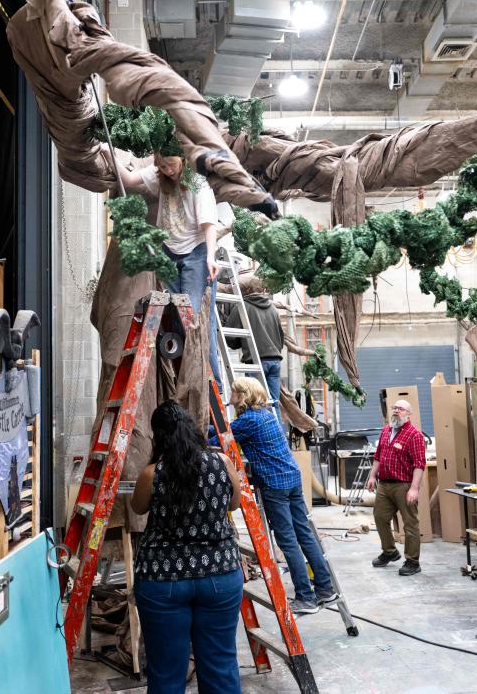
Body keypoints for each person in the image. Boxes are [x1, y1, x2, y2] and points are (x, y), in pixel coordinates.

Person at [131, 401, 243, 693]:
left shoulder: (152, 474)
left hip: (163, 579)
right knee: (220, 666)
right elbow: (235, 503)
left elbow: (138, 507)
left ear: (159, 437)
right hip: (219, 574)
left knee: (166, 672)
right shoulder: (222, 463)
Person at [228, 377, 338, 614]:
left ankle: (305, 597)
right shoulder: (268, 415)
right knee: (304, 534)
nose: (230, 397)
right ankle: (325, 588)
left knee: (287, 540)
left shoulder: (246, 420)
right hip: (292, 478)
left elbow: (218, 438)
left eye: (234, 393)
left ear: (243, 396)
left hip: (275, 484)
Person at [117, 151, 223, 389]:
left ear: (182, 159)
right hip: (169, 254)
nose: (168, 170)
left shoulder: (198, 184)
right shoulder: (160, 177)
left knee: (196, 324)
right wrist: (107, 152)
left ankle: (213, 388)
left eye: (171, 164)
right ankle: (183, 388)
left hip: (196, 254)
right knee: (175, 322)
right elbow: (130, 180)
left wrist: (210, 256)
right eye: (162, 166)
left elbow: (209, 225)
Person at [366, 399, 427, 576]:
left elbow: (419, 464)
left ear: (409, 414)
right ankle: (390, 551)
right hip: (384, 485)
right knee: (379, 517)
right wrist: (372, 476)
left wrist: (414, 488)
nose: (396, 411)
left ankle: (413, 561)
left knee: (410, 524)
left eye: (400, 409)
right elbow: (378, 456)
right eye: (394, 408)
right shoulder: (386, 431)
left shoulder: (414, 435)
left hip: (404, 486)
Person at [222, 277, 285, 416]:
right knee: (273, 405)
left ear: (245, 290)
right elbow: (281, 338)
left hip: (256, 363)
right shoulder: (273, 309)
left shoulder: (243, 306)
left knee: (254, 404)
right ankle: (275, 436)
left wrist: (240, 344)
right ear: (262, 290)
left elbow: (230, 338)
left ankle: (258, 437)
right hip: (275, 361)